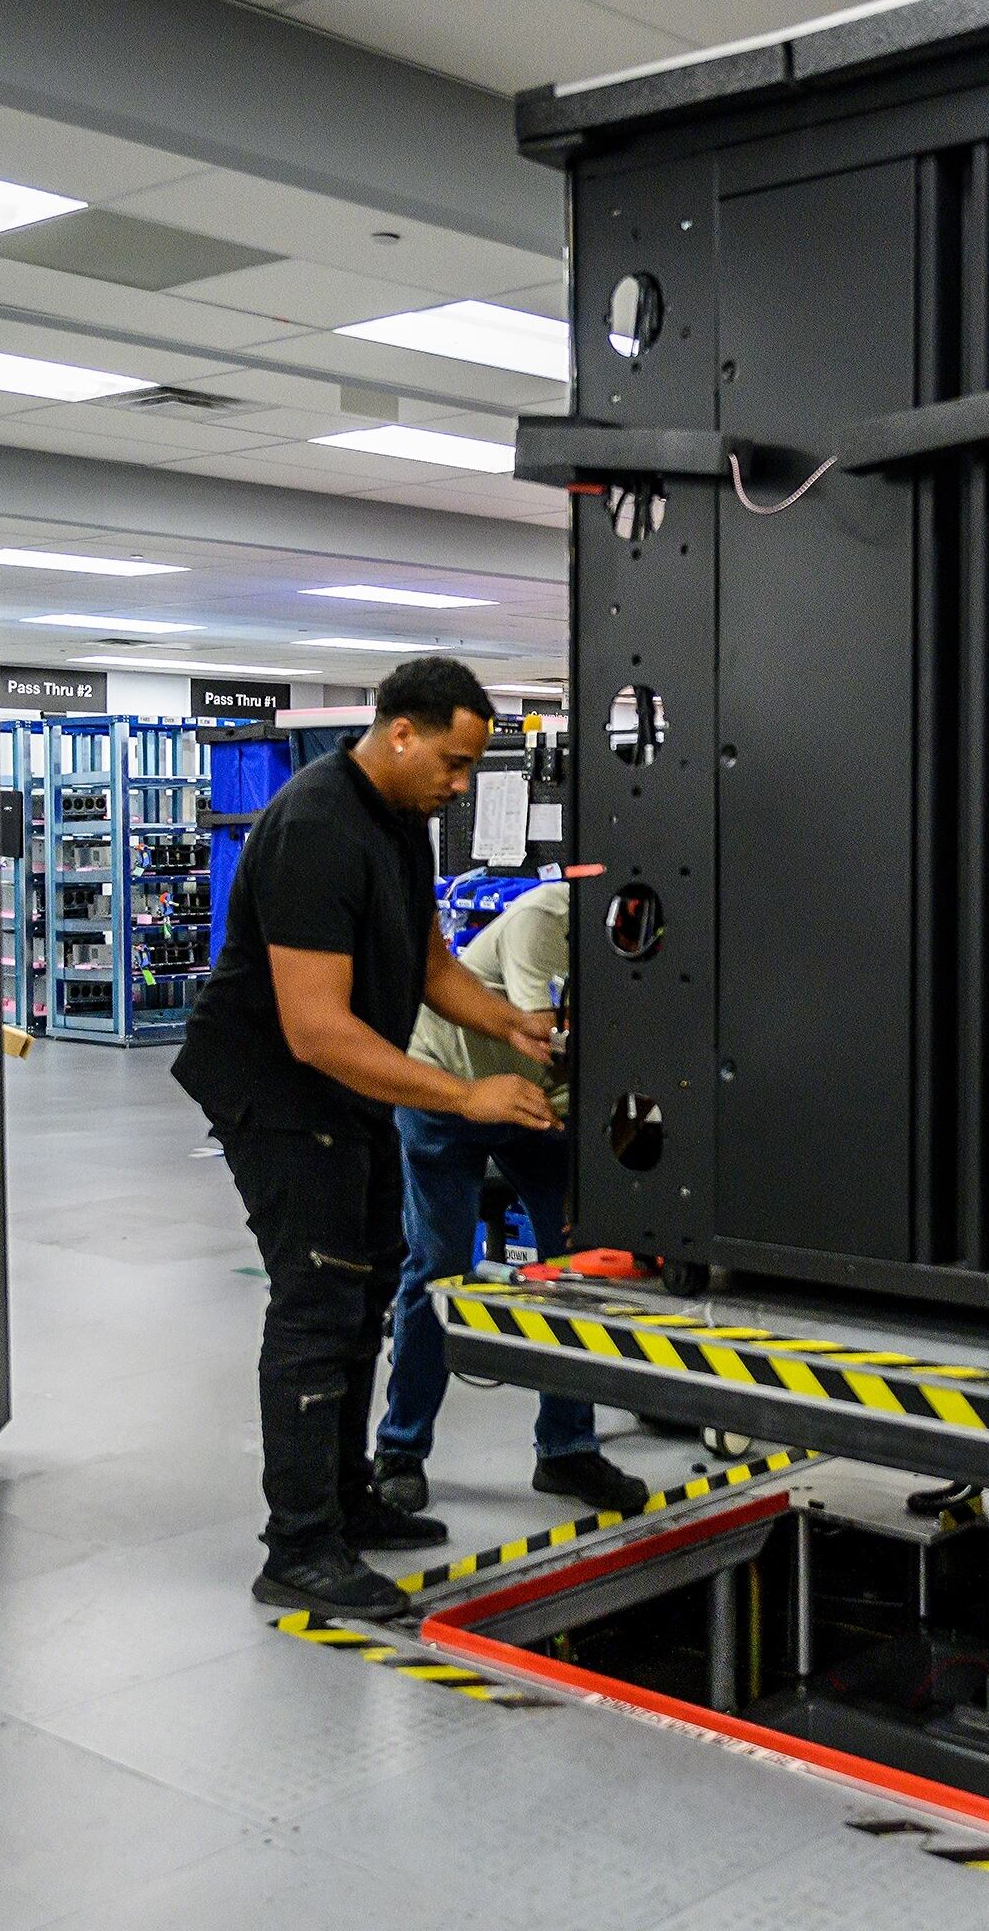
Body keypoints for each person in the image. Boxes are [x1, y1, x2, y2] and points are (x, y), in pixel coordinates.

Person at [176, 658, 561, 1622]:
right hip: (280, 1092)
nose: (462, 785)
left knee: (367, 1289)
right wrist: (463, 1099)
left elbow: (427, 957)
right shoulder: (314, 827)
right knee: (315, 1302)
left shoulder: (398, 821)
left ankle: (348, 1502)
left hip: (344, 1094)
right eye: (456, 762)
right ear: (401, 732)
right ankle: (299, 1548)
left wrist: (510, 1021)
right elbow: (316, 1029)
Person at [373, 880, 651, 1518]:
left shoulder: (642, 950)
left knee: (577, 1260)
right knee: (438, 1266)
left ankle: (565, 1448)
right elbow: (546, 1040)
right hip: (449, 1085)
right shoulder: (542, 920)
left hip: (535, 1106)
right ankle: (400, 1450)